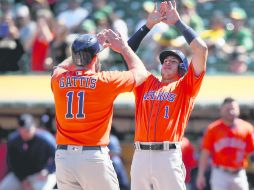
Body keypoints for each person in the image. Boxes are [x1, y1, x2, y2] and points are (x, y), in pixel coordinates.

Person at [51, 29, 148, 190]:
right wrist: (123, 47)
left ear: (74, 57)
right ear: (96, 57)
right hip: (92, 156)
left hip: (64, 157)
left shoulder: (58, 79)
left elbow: (59, 67)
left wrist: (87, 48)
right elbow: (141, 73)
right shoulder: (104, 80)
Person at [127, 1, 208, 190]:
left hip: (167, 154)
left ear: (182, 67)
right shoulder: (146, 82)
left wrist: (178, 23)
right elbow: (126, 52)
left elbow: (202, 49)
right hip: (140, 155)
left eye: (173, 60)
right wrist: (148, 26)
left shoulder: (185, 86)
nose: (167, 63)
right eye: (165, 60)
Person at [196, 97, 254, 190]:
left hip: (239, 173)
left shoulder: (247, 128)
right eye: (228, 109)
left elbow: (252, 152)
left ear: (238, 110)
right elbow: (205, 153)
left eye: (234, 109)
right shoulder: (213, 129)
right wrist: (200, 175)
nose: (231, 111)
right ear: (221, 110)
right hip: (220, 173)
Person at [0, 114, 56, 190]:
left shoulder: (46, 139)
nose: (25, 132)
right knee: (4, 187)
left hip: (41, 174)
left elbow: (58, 157)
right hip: (20, 176)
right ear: (19, 129)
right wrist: (22, 179)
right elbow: (11, 162)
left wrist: (48, 170)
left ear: (34, 127)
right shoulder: (13, 140)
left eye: (28, 130)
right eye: (22, 130)